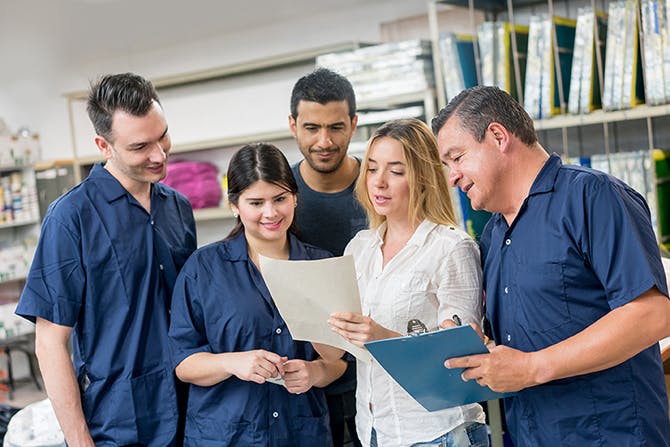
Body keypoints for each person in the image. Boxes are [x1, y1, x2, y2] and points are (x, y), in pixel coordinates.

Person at [432, 85, 670, 446]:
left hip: (610, 434)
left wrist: (532, 367)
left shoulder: (593, 196)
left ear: (498, 136)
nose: (452, 177)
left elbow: (652, 313)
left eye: (457, 157)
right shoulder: (493, 236)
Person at [15, 73, 197, 446]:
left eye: (162, 136)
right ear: (104, 145)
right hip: (116, 422)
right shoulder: (72, 218)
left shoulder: (177, 207)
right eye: (140, 146)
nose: (159, 155)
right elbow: (50, 343)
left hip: (190, 409)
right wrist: (81, 441)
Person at [168, 142, 344, 446]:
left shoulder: (321, 265)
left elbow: (340, 360)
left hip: (300, 434)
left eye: (280, 199)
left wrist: (314, 372)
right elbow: (183, 364)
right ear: (234, 205)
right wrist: (231, 363)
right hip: (226, 436)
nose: (270, 213)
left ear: (295, 198)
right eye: (255, 202)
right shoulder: (204, 269)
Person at [327, 118, 488, 447]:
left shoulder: (451, 248)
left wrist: (381, 337)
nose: (379, 183)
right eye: (372, 169)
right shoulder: (358, 248)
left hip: (437, 433)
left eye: (396, 171)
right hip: (373, 429)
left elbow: (460, 364)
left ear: (423, 178)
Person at [288, 67, 366, 447]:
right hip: (309, 385)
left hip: (379, 378)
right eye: (311, 128)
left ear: (353, 124)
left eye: (336, 127)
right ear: (293, 125)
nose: (324, 141)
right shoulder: (280, 199)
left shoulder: (381, 187)